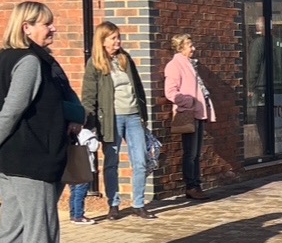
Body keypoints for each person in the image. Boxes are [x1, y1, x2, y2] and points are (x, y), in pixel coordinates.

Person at [0, 0, 85, 243]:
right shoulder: (29, 61)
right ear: (26, 27)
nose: (52, 28)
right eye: (46, 24)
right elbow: (12, 110)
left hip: (13, 159)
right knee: (41, 232)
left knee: (12, 230)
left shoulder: (6, 58)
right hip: (31, 157)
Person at [77, 23, 155, 223]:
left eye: (118, 37)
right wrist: (88, 123)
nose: (118, 42)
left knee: (140, 160)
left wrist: (143, 115)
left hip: (133, 116)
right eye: (113, 38)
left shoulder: (125, 59)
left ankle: (138, 204)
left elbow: (137, 87)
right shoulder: (94, 64)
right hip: (111, 119)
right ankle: (114, 204)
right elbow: (88, 96)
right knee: (111, 162)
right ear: (102, 41)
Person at [163, 35, 212, 203]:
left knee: (197, 153)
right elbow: (170, 92)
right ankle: (191, 186)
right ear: (180, 47)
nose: (193, 49)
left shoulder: (191, 64)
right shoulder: (174, 66)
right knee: (190, 153)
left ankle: (197, 185)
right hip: (188, 113)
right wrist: (189, 101)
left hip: (197, 113)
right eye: (190, 45)